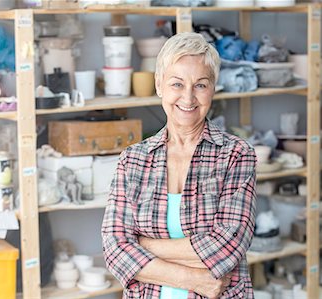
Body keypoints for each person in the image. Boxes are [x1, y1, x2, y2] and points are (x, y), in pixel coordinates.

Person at [102, 32, 257, 299]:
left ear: (213, 88)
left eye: (200, 85)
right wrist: (196, 279)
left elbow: (228, 245)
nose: (188, 97)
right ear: (159, 85)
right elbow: (114, 250)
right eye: (177, 84)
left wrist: (143, 247)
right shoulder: (133, 160)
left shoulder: (236, 155)